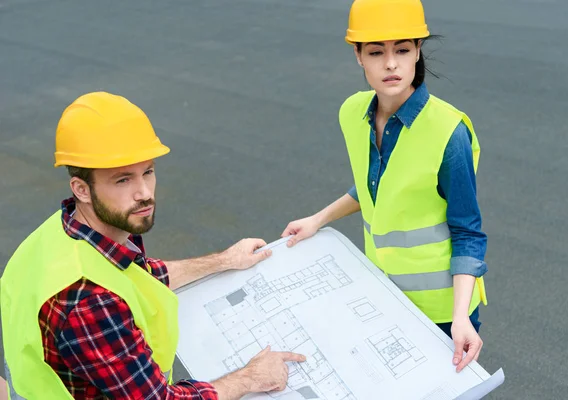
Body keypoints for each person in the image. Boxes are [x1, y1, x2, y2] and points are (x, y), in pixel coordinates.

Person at [0, 92, 305, 399]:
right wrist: (251, 378)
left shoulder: (63, 231)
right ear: (82, 189)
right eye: (123, 180)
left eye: (147, 172)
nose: (144, 193)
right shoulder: (88, 302)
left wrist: (223, 261)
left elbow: (138, 275)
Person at [282, 0, 488, 373]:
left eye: (403, 50)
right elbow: (375, 187)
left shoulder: (448, 132)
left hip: (443, 312)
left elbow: (468, 232)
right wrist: (318, 219)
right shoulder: (352, 114)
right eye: (376, 52)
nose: (391, 64)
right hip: (383, 296)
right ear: (358, 56)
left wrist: (460, 318)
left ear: (418, 51)